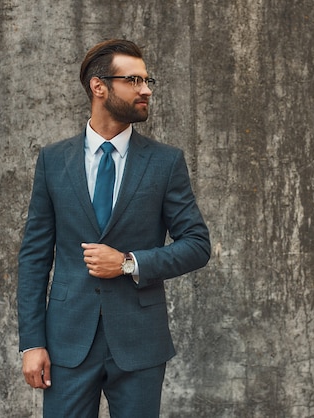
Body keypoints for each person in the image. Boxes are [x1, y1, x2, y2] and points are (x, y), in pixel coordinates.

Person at [17, 39, 211, 417]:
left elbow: (197, 244)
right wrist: (32, 343)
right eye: (134, 80)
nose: (146, 89)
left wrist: (128, 262)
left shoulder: (165, 162)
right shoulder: (54, 161)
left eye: (146, 80)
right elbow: (34, 258)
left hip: (139, 342)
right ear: (99, 86)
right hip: (67, 342)